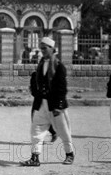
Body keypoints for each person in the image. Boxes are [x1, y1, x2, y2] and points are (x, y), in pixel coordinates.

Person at [20, 37, 74, 166]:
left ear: (52, 49)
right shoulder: (41, 63)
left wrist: (58, 106)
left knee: (63, 131)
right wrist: (35, 92)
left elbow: (62, 88)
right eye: (41, 48)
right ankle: (35, 158)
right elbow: (36, 79)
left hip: (55, 105)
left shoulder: (59, 66)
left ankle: (69, 154)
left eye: (45, 48)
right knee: (36, 129)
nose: (42, 51)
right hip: (41, 103)